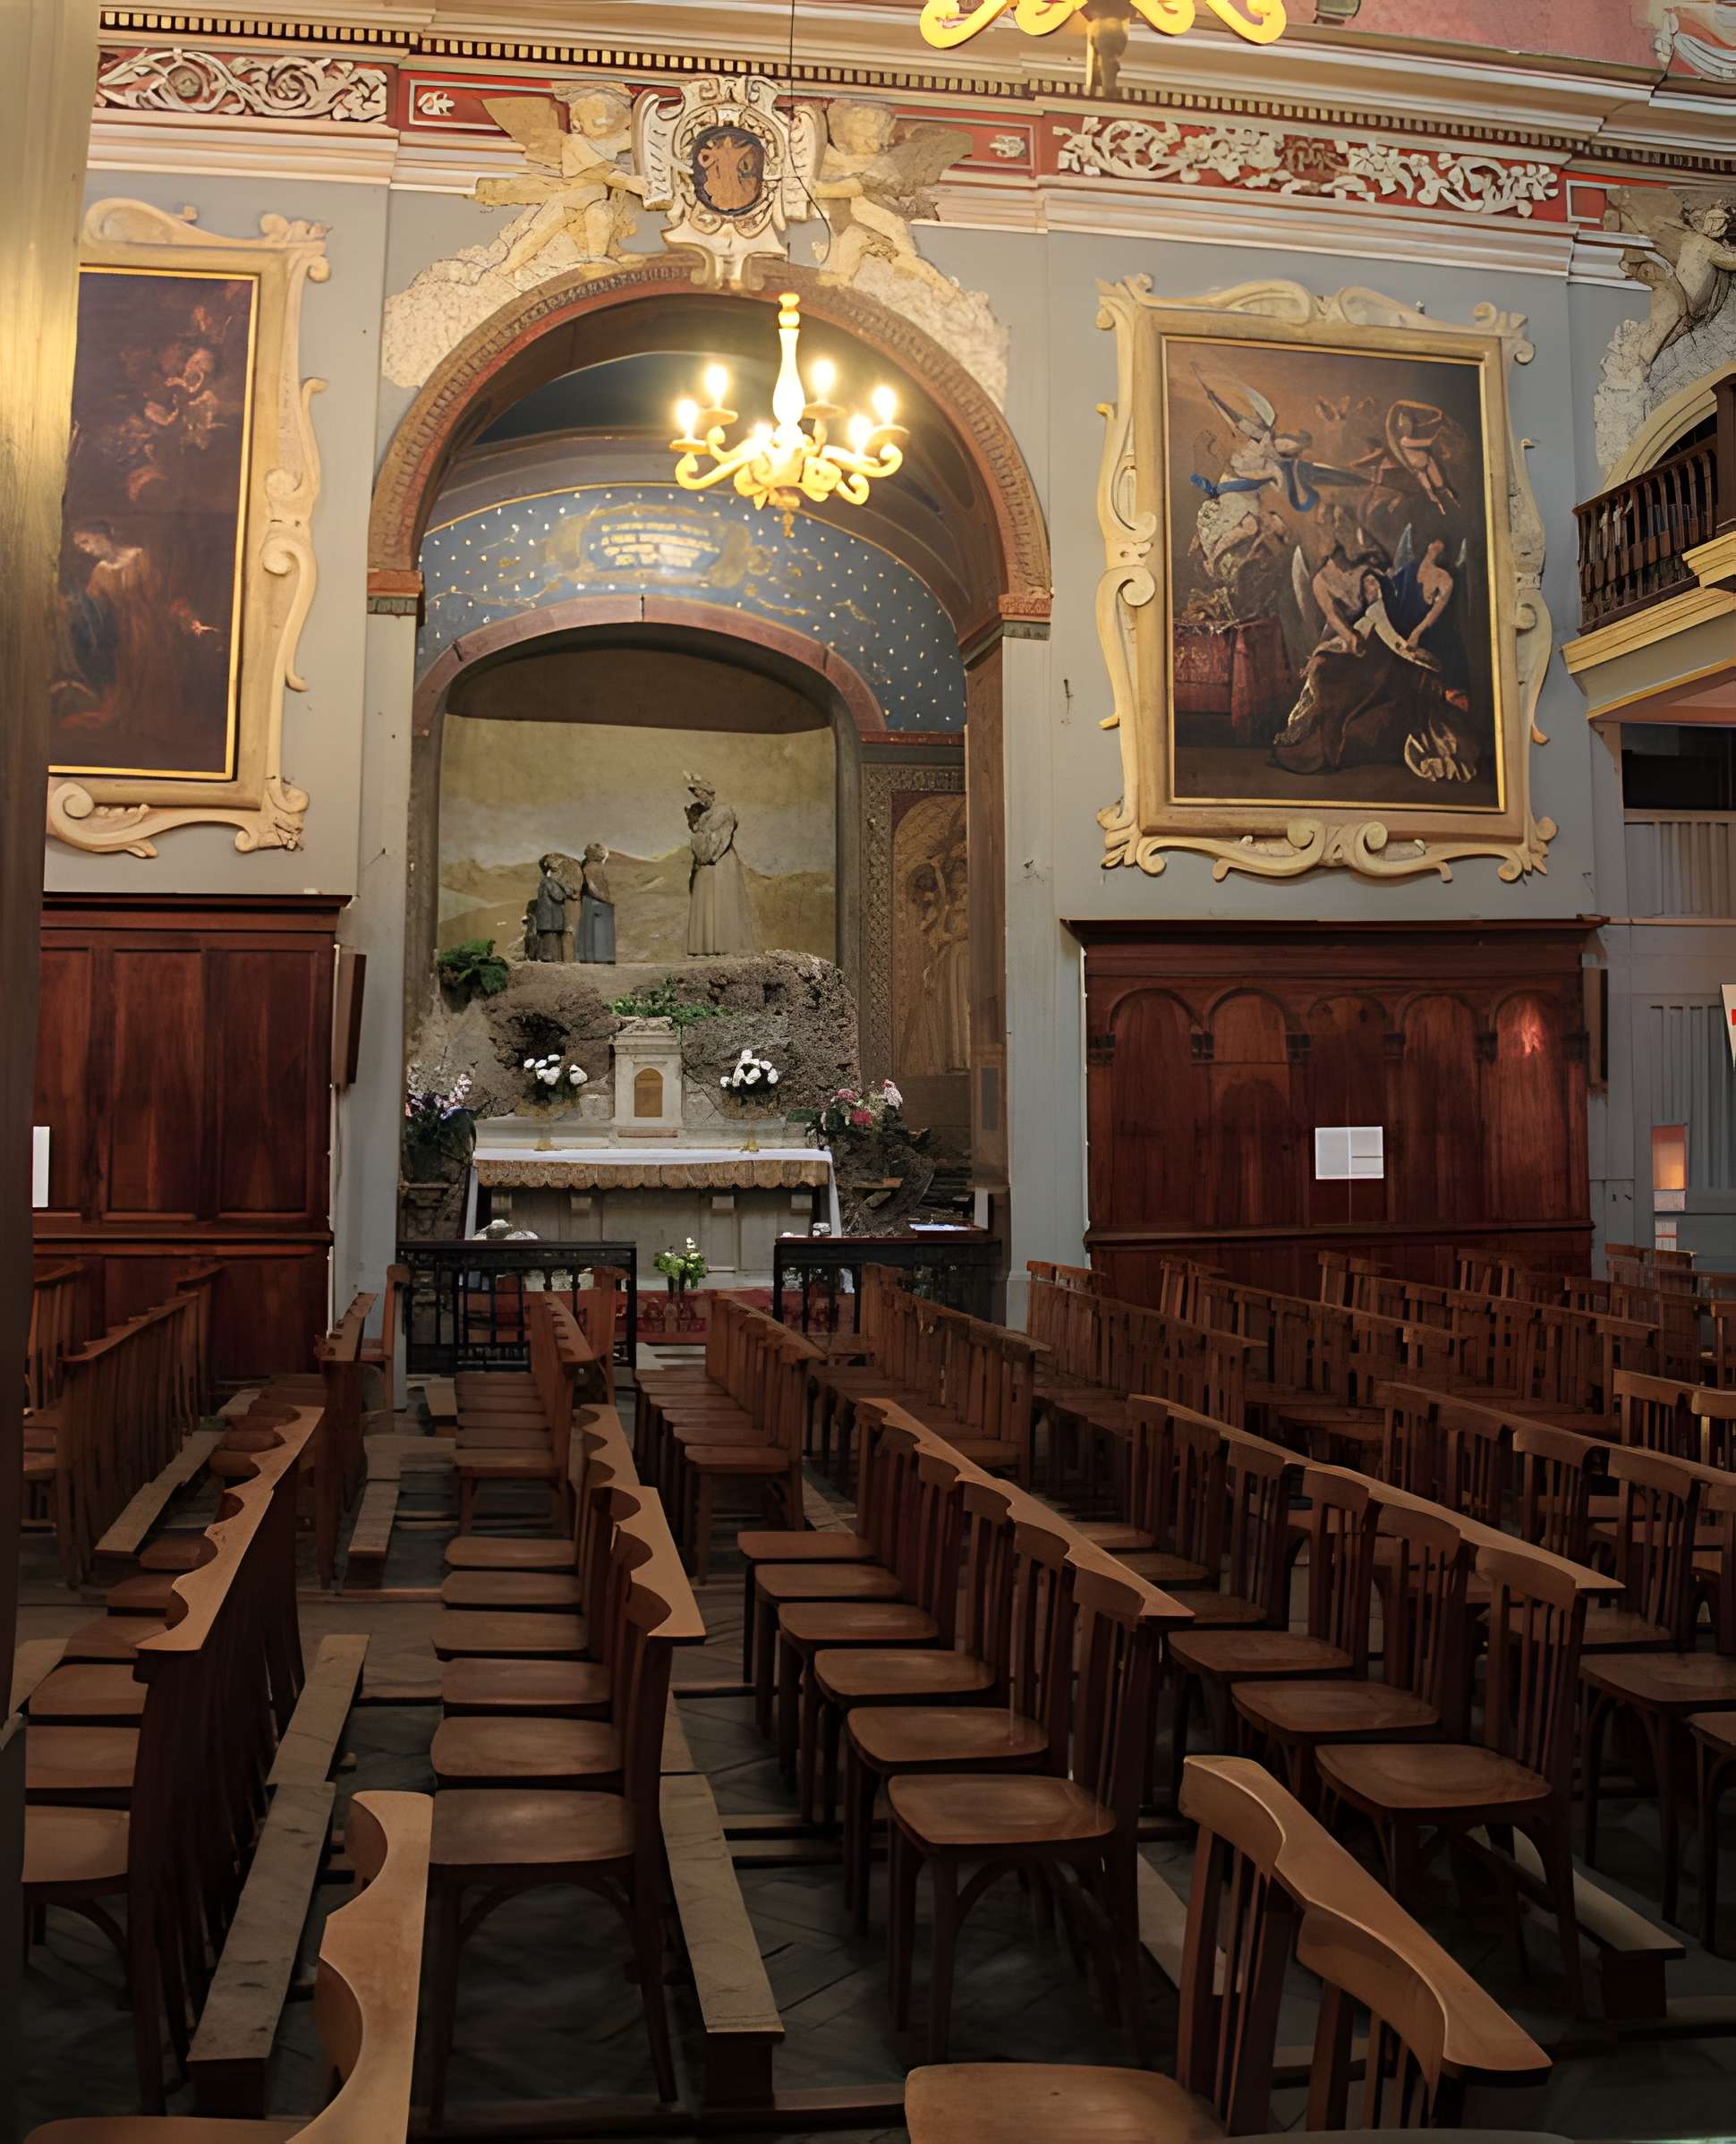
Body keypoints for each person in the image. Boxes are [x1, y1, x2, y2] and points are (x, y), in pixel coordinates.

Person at [1271, 566, 1472, 782]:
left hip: (1388, 675)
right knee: (1336, 694)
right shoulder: (1367, 616)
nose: (1370, 586)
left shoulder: (1392, 613)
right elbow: (1346, 641)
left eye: (1373, 582)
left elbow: (1401, 645)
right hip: (1367, 673)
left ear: (1382, 586)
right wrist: (1321, 653)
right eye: (1366, 583)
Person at [685, 779, 756, 957]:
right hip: (706, 863)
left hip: (720, 861)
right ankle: (706, 946)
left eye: (700, 793)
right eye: (696, 795)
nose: (699, 798)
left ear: (709, 792)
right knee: (706, 899)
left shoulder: (723, 812)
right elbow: (701, 841)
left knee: (721, 899)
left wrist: (701, 836)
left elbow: (714, 842)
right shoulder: (704, 817)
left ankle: (723, 945)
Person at [577, 842, 616, 964]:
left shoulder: (589, 867)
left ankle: (596, 957)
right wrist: (605, 900)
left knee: (594, 931)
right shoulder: (593, 868)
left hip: (593, 903)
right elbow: (592, 886)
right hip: (596, 903)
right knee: (598, 931)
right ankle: (600, 958)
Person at [531, 854, 574, 961]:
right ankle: (547, 957)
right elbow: (558, 896)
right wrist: (565, 888)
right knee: (550, 940)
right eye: (556, 869)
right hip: (550, 917)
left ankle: (547, 956)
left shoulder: (545, 881)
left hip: (550, 917)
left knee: (550, 939)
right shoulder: (548, 881)